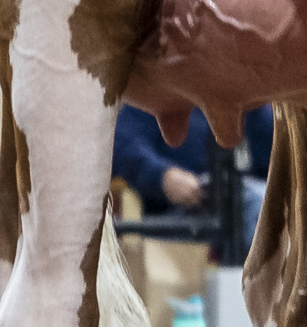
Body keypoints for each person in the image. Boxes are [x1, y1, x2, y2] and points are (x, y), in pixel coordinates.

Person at [114, 104, 274, 260]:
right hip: (173, 218)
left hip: (236, 206)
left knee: (269, 202)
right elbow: (122, 145)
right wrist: (163, 176)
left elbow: (279, 150)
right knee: (261, 204)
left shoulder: (249, 106)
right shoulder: (159, 95)